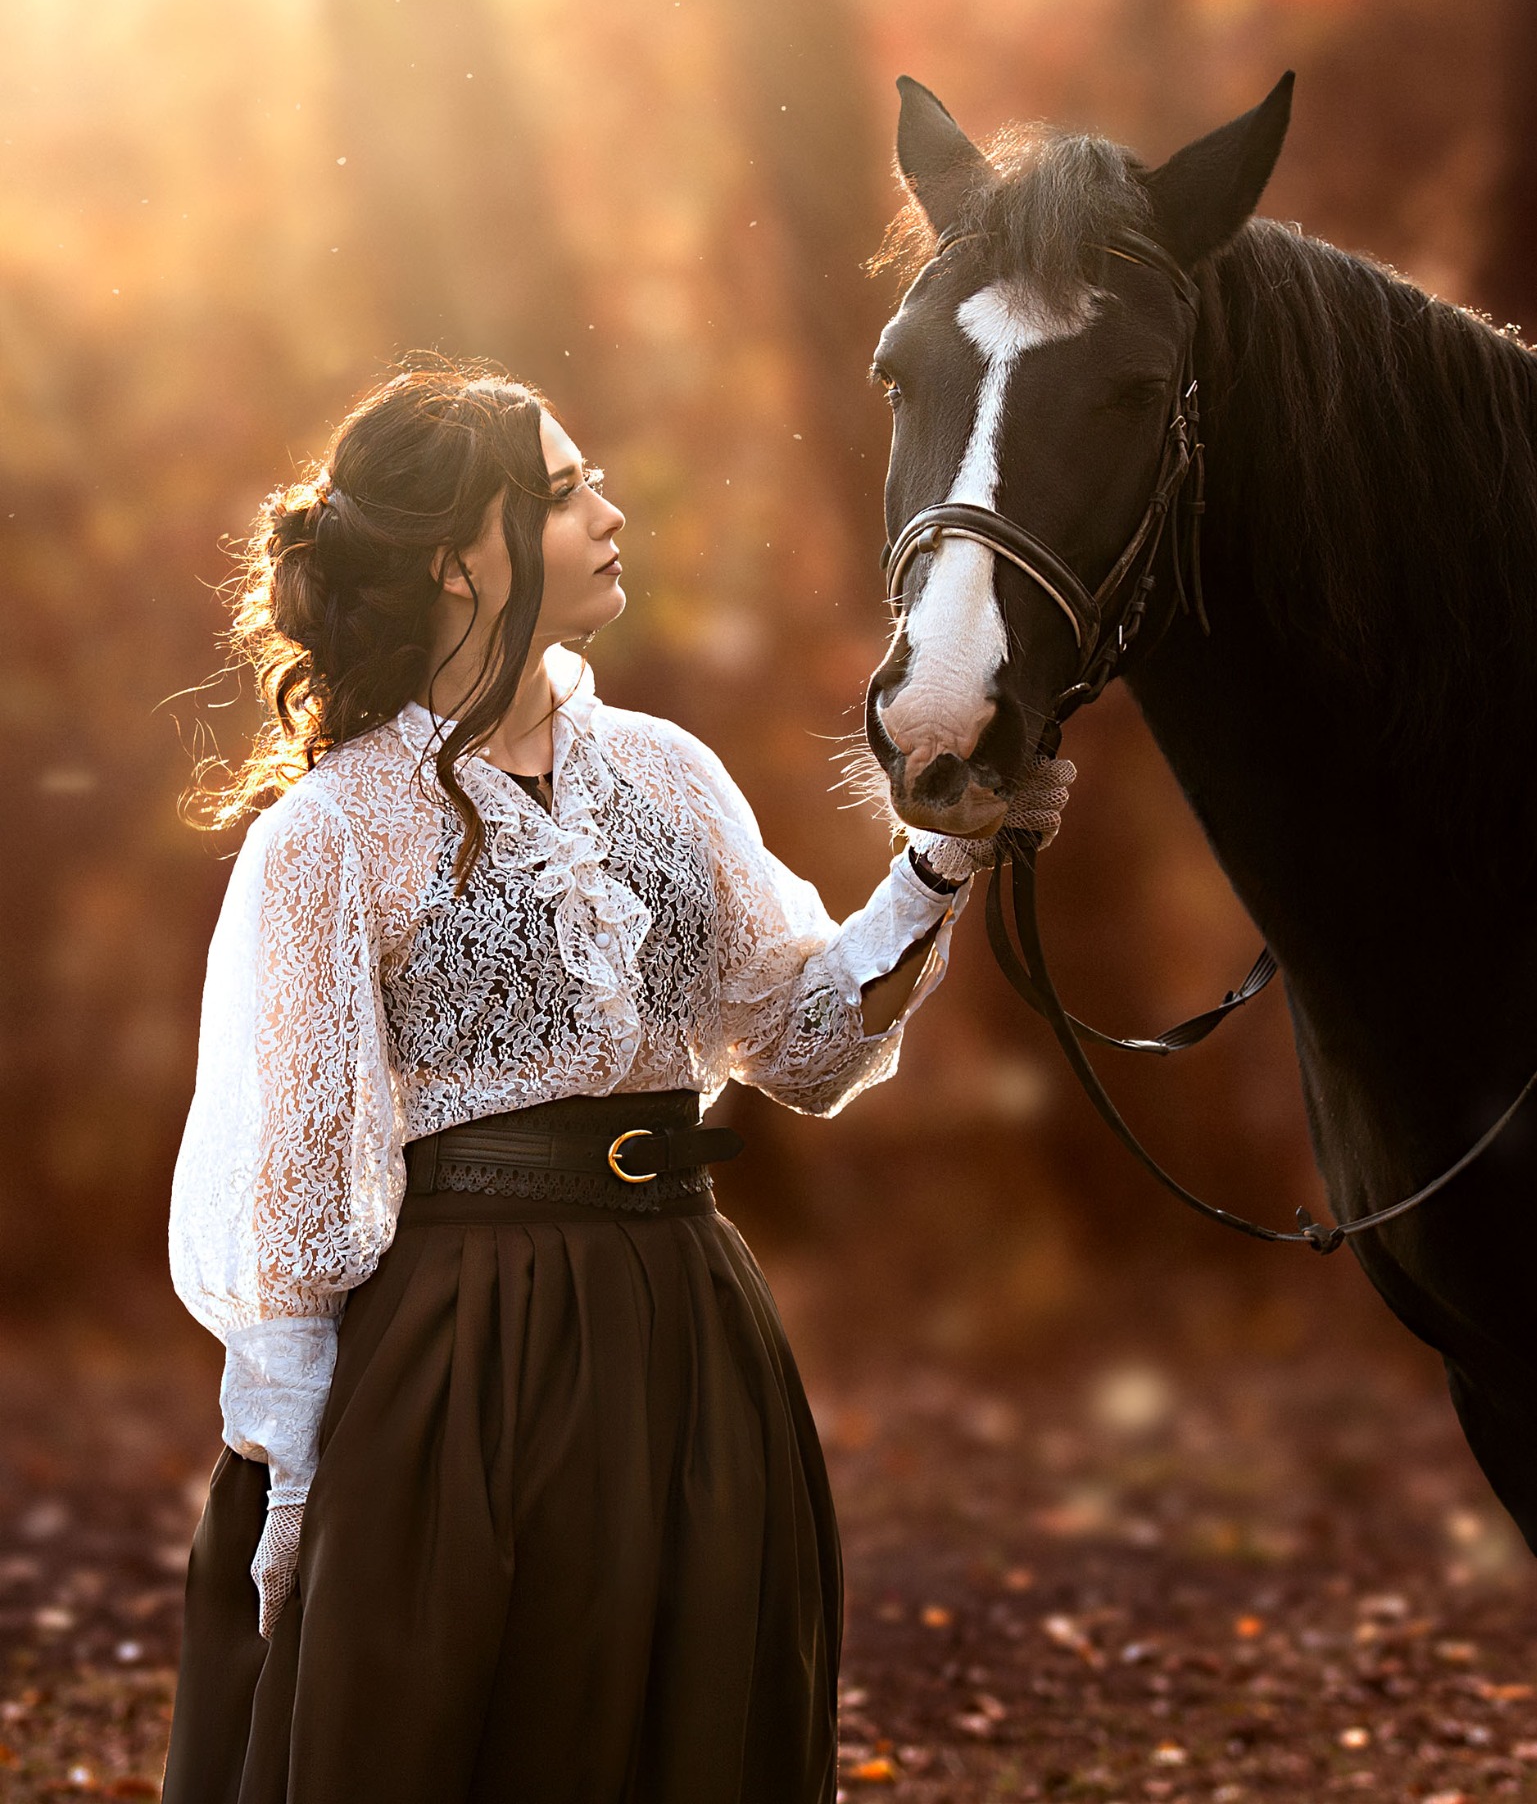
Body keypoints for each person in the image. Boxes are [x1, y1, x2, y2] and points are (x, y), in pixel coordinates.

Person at [162, 358, 985, 1804]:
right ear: (454, 563)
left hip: (685, 1323)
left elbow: (797, 1039)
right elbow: (287, 1203)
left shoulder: (664, 774)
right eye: (558, 493)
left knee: (687, 1730)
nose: (608, 514)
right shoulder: (334, 834)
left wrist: (940, 863)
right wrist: (291, 1485)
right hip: (458, 1358)